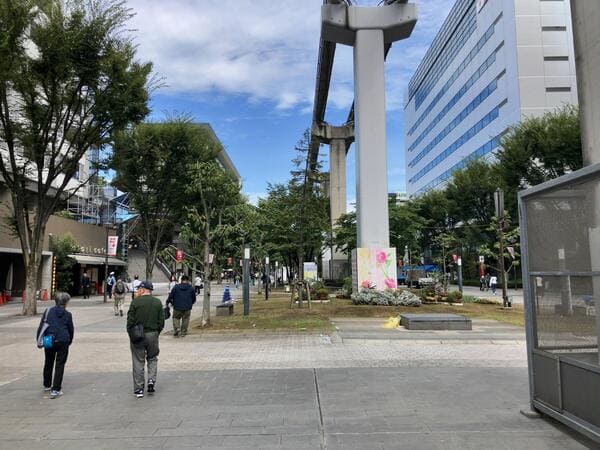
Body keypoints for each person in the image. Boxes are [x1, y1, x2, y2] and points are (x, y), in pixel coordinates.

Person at [127, 281, 164, 398]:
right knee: (152, 358)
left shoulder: (135, 302)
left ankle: (139, 389)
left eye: (139, 289)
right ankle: (151, 380)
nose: (137, 290)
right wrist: (157, 332)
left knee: (138, 360)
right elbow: (161, 321)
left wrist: (131, 333)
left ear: (143, 289)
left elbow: (130, 321)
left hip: (138, 335)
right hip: (153, 334)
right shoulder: (157, 302)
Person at [37, 292, 74, 399]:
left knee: (48, 361)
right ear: (66, 302)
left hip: (49, 339)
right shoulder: (68, 314)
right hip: (63, 340)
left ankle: (47, 384)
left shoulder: (48, 311)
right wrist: (70, 340)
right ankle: (56, 389)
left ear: (55, 301)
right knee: (60, 364)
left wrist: (39, 339)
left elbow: (42, 326)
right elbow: (70, 329)